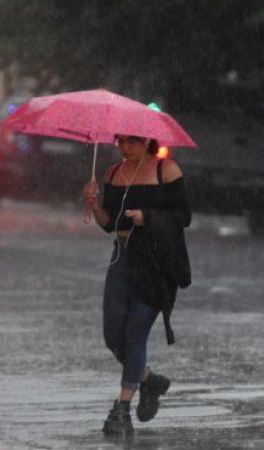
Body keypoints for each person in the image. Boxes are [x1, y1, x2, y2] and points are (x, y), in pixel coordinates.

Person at [82, 135, 192, 436]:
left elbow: (184, 216)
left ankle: (122, 407)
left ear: (147, 141)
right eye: (120, 141)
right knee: (113, 334)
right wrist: (92, 204)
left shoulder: (166, 170)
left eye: (132, 142)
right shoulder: (113, 173)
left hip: (157, 265)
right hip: (122, 260)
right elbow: (109, 224)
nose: (124, 147)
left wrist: (148, 218)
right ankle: (149, 380)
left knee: (135, 334)